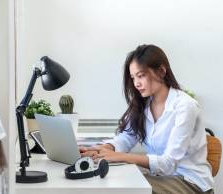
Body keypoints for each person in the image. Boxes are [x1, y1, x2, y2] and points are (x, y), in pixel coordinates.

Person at [80, 44, 214, 194]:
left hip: (190, 183)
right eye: (133, 77)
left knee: (125, 187)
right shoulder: (144, 105)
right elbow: (127, 136)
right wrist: (107, 149)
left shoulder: (185, 106)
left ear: (161, 71)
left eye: (141, 75)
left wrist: (121, 157)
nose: (136, 83)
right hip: (162, 179)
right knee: (112, 182)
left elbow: (169, 164)